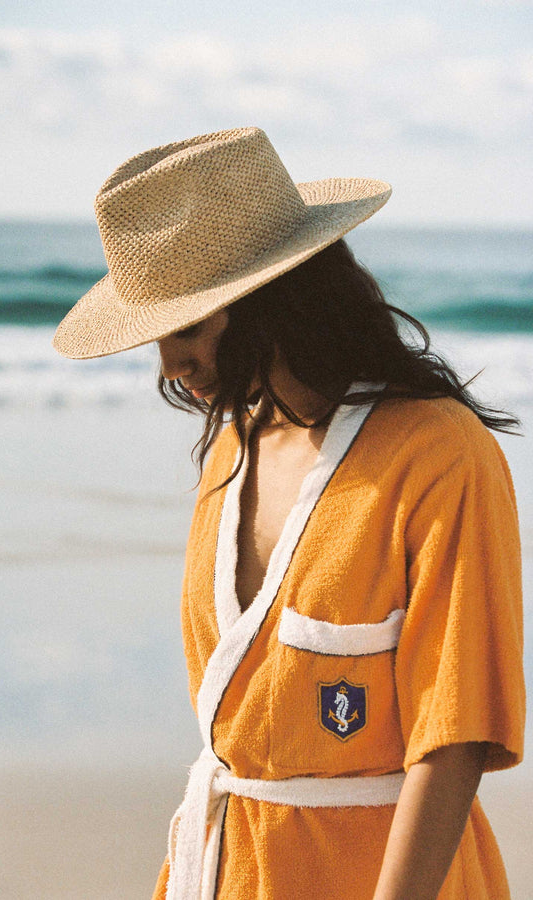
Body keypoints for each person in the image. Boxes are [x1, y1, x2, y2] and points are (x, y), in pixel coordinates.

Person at [53, 127, 525, 899]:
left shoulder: (440, 456)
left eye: (187, 329)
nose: (169, 367)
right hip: (225, 870)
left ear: (268, 301)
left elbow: (456, 734)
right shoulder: (230, 453)